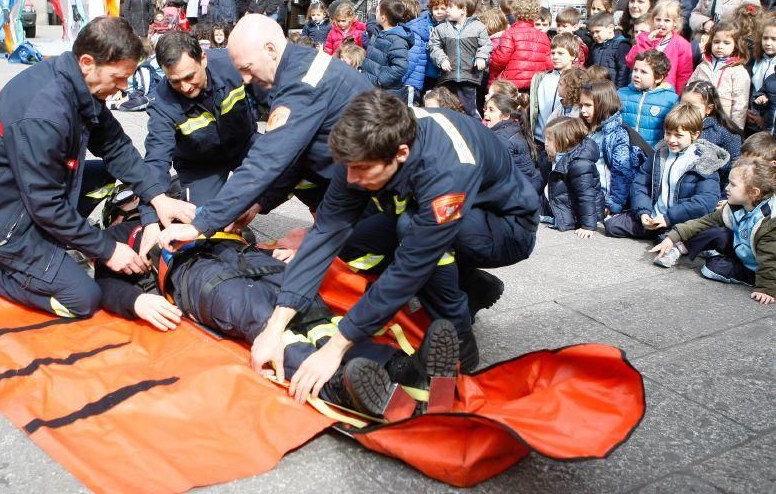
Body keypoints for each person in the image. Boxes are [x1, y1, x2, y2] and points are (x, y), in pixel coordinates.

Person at [233, 91, 540, 399]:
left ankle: (461, 340)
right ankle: (470, 284)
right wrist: (275, 326)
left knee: (412, 233)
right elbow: (327, 231)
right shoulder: (362, 144)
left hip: (506, 227)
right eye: (347, 167)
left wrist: (336, 347)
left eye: (362, 170)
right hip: (437, 208)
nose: (351, 179)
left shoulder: (447, 172)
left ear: (401, 154)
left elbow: (410, 269)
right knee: (354, 243)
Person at [0, 17, 192, 318]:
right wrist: (107, 250)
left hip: (29, 190)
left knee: (115, 176)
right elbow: (46, 206)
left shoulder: (79, 84)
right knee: (82, 299)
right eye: (119, 77)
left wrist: (157, 197)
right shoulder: (45, 115)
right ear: (88, 62)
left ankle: (59, 243)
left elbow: (116, 146)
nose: (124, 88)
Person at [107, 221, 461, 414]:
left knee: (311, 309)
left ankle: (401, 368)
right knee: (262, 319)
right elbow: (104, 284)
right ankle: (340, 386)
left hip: (238, 251)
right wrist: (136, 301)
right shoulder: (119, 237)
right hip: (195, 273)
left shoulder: (174, 196)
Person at [156, 14, 373, 242]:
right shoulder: (301, 64)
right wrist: (259, 203)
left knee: (336, 249)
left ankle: (338, 233)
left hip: (367, 189)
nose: (246, 79)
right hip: (356, 177)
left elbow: (269, 159)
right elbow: (293, 154)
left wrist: (202, 223)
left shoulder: (299, 87)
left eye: (248, 68)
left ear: (270, 49)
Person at [141, 30, 260, 251]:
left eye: (189, 77)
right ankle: (180, 190)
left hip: (245, 145)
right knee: (205, 228)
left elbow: (271, 96)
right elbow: (155, 161)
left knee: (292, 163)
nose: (185, 87)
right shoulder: (162, 104)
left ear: (203, 59)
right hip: (200, 165)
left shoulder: (232, 65)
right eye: (175, 81)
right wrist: (149, 219)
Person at [604, 103, 729, 257]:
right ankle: (659, 234)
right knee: (612, 226)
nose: (671, 140)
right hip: (655, 217)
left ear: (695, 134)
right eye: (668, 133)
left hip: (680, 222)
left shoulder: (705, 162)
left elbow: (704, 202)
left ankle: (672, 239)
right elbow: (640, 184)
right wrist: (643, 212)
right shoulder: (659, 155)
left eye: (678, 135)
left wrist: (669, 218)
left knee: (702, 234)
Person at [651, 158, 776, 305]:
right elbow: (704, 222)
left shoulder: (769, 221)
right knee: (716, 233)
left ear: (754, 193)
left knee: (713, 268)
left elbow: (769, 258)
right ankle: (680, 247)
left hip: (761, 269)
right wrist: (673, 237)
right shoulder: (735, 207)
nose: (726, 188)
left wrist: (766, 289)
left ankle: (750, 278)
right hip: (746, 251)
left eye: (733, 185)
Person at [428, 0, 492, 116]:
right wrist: (442, 59)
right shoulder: (441, 28)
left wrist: (481, 57)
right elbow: (434, 46)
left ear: (463, 10)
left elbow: (486, 45)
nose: (447, 10)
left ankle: (472, 132)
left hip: (469, 76)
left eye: (451, 7)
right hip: (448, 77)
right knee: (447, 110)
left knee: (469, 110)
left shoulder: (478, 27)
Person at [579, 80, 638, 215]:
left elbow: (621, 172)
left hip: (601, 198)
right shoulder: (586, 128)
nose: (583, 110)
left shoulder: (618, 134)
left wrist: (613, 204)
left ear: (603, 105)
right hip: (585, 192)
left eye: (588, 105)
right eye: (581, 105)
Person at [541, 116, 605, 238]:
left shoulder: (579, 164)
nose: (545, 144)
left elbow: (586, 196)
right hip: (562, 206)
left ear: (564, 141)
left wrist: (588, 226)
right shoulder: (560, 156)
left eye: (549, 140)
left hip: (578, 216)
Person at [528, 33, 580, 181]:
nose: (555, 57)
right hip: (540, 141)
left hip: (563, 142)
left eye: (560, 53)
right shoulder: (542, 78)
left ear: (573, 56)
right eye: (553, 53)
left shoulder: (577, 79)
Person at [681, 80, 742, 196]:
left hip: (708, 192)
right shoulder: (675, 125)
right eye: (683, 105)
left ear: (709, 109)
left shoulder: (724, 133)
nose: (687, 110)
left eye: (693, 107)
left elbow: (735, 168)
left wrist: (725, 198)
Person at [688, 21, 751, 130]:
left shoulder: (738, 71)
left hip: (723, 123)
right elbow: (688, 90)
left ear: (736, 46)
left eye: (726, 43)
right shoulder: (702, 66)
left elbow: (740, 104)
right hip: (697, 120)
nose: (720, 46)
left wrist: (736, 130)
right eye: (716, 42)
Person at [483, 84, 542, 192]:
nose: (485, 113)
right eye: (485, 109)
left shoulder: (502, 138)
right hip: (529, 184)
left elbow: (499, 173)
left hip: (520, 190)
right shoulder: (515, 127)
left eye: (491, 110)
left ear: (506, 115)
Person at [626, 0, 693, 94]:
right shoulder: (644, 37)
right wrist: (646, 42)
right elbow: (630, 61)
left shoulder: (682, 44)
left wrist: (679, 98)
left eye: (667, 20)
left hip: (665, 93)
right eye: (658, 19)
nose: (661, 24)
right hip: (640, 90)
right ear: (652, 20)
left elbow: (684, 75)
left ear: (675, 23)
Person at [489, 0, 553, 90]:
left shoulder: (510, 33)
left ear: (515, 11)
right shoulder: (543, 37)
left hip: (512, 85)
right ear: (536, 13)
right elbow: (549, 64)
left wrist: (493, 71)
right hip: (534, 85)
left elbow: (500, 60)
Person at [619, 49, 679, 147]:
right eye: (635, 70)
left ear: (658, 77)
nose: (636, 75)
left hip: (652, 153)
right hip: (624, 150)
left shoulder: (671, 100)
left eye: (643, 72)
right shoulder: (621, 94)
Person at [360, 0, 414, 102]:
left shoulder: (397, 40)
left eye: (377, 11)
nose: (375, 14)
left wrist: (381, 80)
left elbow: (401, 66)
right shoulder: (379, 31)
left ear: (383, 18)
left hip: (385, 93)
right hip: (371, 88)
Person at [587, 12, 632, 88]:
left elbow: (623, 71)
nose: (594, 35)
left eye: (597, 31)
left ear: (610, 28)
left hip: (612, 89)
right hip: (596, 88)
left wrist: (619, 90)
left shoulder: (621, 45)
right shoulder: (595, 46)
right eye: (592, 32)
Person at [748, 15, 776, 134]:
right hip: (752, 115)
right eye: (765, 38)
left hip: (770, 121)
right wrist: (747, 110)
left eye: (774, 39)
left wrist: (764, 118)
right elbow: (749, 88)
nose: (768, 43)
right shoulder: (755, 60)